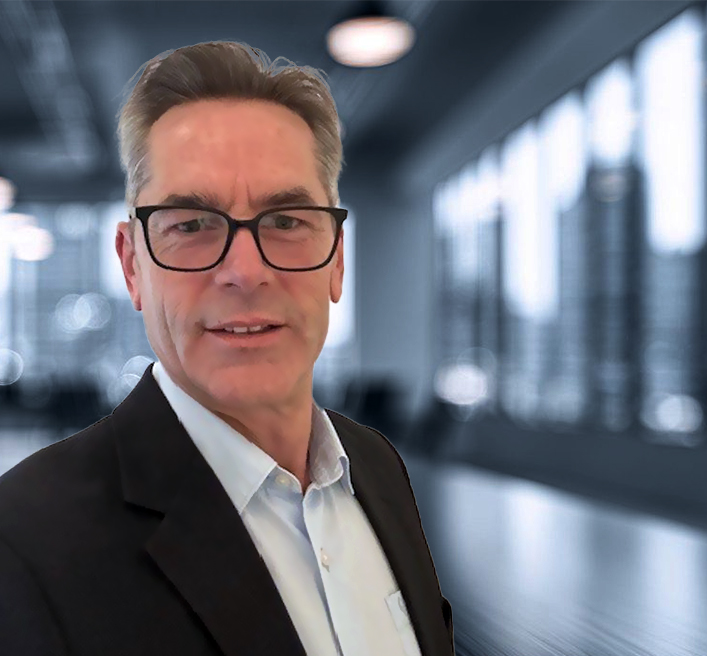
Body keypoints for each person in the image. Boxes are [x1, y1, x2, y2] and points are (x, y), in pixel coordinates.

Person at [0, 41, 454, 656]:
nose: (245, 271)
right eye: (190, 225)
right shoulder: (23, 542)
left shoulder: (378, 469)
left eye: (288, 221)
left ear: (337, 261)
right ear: (133, 267)